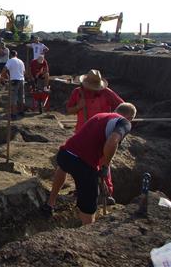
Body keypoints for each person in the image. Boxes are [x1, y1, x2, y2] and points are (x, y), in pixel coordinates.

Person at [41, 102, 137, 225]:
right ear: (130, 118)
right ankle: (88, 232)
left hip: (65, 153)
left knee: (63, 168)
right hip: (83, 164)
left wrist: (104, 176)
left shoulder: (101, 115)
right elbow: (112, 143)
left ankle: (50, 203)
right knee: (89, 205)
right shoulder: (124, 123)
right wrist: (105, 166)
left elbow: (97, 146)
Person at [66, 69, 125, 203]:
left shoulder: (106, 93)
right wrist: (78, 107)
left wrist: (114, 123)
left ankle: (106, 192)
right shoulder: (77, 93)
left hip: (103, 134)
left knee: (104, 162)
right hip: (82, 134)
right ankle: (83, 190)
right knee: (82, 164)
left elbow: (122, 107)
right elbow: (69, 110)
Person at [5, 50, 25, 120]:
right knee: (21, 97)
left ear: (10, 55)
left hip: (14, 80)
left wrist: (2, 77)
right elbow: (23, 72)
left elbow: (5, 69)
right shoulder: (21, 61)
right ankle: (21, 112)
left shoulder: (10, 60)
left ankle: (14, 114)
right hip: (21, 80)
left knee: (13, 98)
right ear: (16, 55)